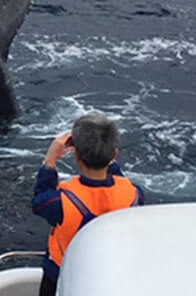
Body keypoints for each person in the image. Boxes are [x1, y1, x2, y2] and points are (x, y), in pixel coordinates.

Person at [31, 113, 144, 296]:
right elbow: (118, 180)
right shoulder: (134, 194)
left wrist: (50, 161)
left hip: (62, 274)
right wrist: (108, 159)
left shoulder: (60, 201)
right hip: (108, 272)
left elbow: (39, 200)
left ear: (76, 156)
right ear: (114, 155)